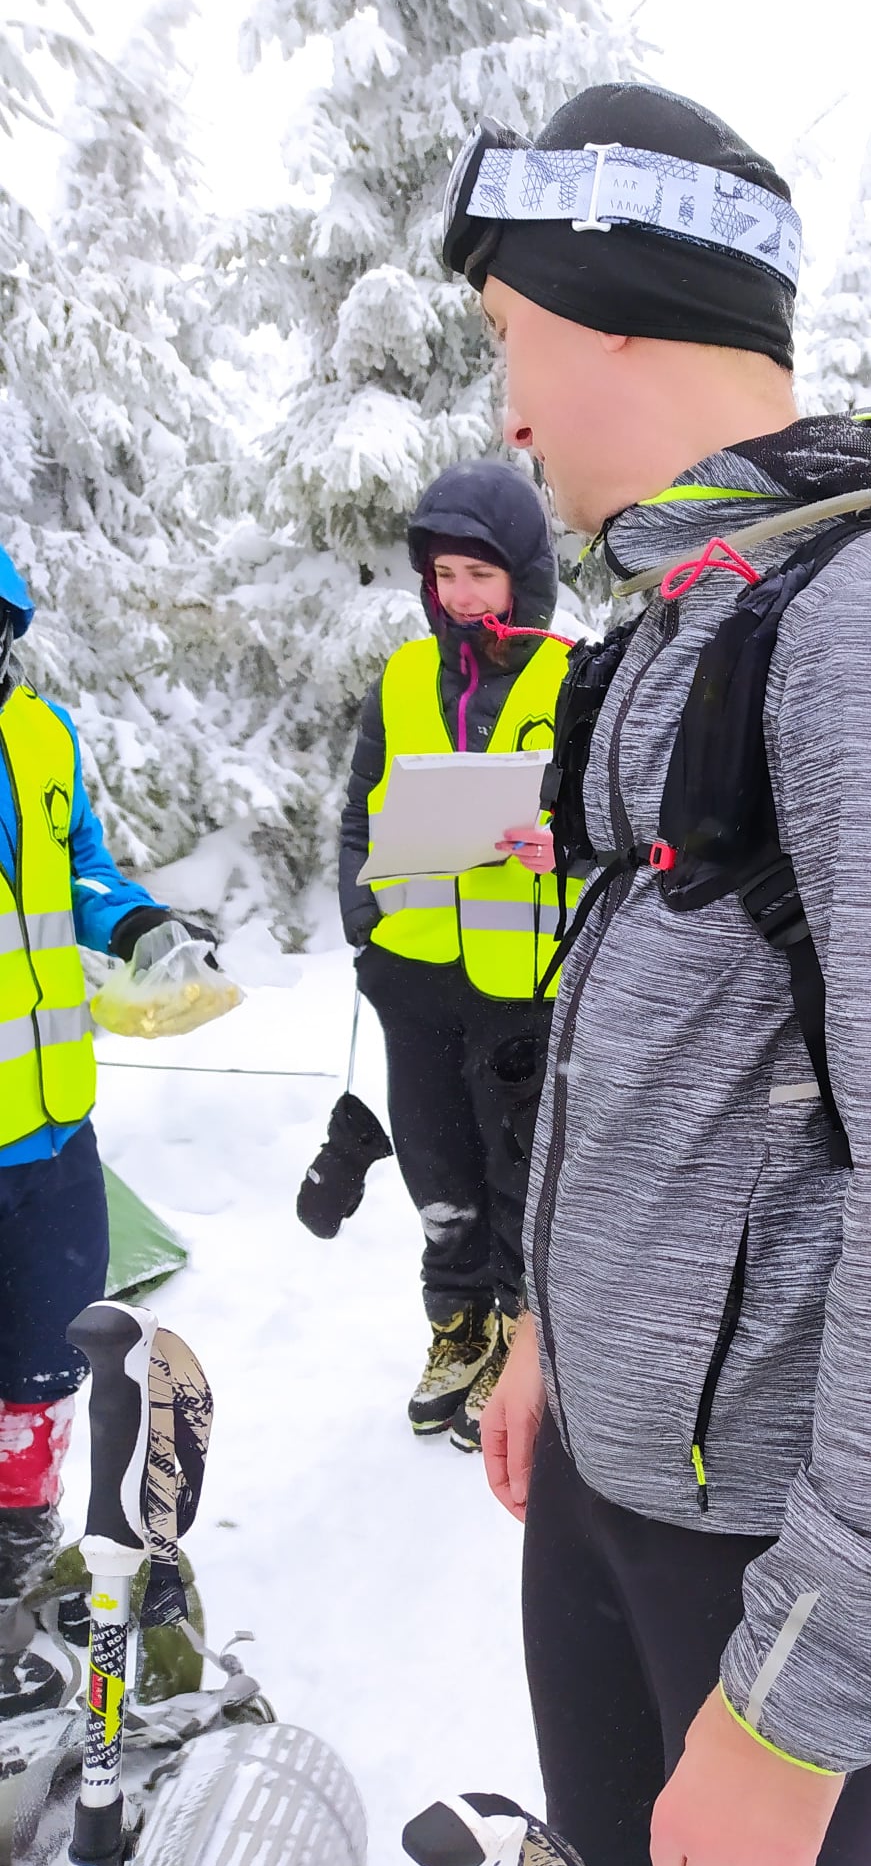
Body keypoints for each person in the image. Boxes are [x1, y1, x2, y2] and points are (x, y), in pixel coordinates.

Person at [449, 85, 871, 1866]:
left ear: (618, 307)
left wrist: (805, 1700)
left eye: (512, 340)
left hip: (759, 1559)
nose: (506, 411)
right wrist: (553, 1340)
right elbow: (650, 1050)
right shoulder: (685, 620)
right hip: (609, 1474)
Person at [0, 544, 223, 1714]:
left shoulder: (41, 735)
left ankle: (21, 1559)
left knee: (42, 1365)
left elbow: (78, 867)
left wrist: (137, 923)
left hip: (52, 1128)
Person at [338, 460, 582, 1450]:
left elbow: (617, 821)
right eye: (442, 576)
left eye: (479, 575)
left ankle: (528, 1337)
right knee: (439, 1166)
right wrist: (365, 923)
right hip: (416, 979)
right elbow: (360, 809)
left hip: (524, 986)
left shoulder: (577, 676)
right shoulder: (399, 678)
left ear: (523, 575)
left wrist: (563, 844)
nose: (458, 597)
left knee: (518, 1171)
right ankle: (460, 1326)